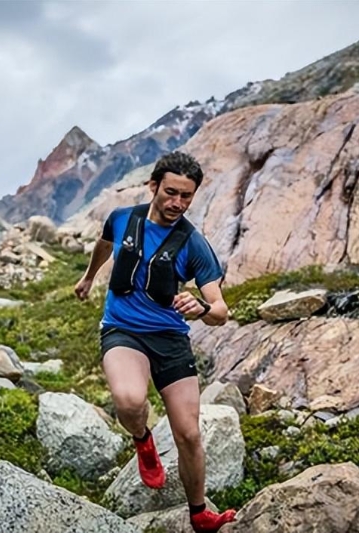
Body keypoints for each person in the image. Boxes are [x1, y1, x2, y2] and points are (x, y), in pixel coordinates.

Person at [74, 151, 237, 533]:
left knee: (189, 434)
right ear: (153, 186)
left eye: (186, 196)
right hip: (123, 329)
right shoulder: (122, 218)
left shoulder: (193, 244)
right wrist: (89, 276)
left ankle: (200, 514)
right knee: (130, 401)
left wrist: (201, 308)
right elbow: (104, 244)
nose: (177, 203)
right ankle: (143, 440)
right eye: (171, 192)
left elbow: (221, 311)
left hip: (170, 338)